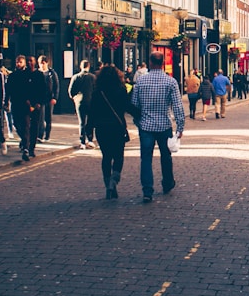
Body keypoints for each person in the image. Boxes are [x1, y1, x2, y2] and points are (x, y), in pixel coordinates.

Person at [130, 51, 185, 203]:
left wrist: (138, 121)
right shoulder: (171, 82)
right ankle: (167, 183)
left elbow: (134, 105)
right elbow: (178, 106)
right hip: (164, 126)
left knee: (146, 159)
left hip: (146, 127)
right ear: (162, 64)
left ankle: (147, 191)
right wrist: (180, 127)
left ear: (150, 62)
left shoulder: (141, 82)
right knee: (166, 156)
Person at [90, 64, 138, 199]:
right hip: (117, 127)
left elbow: (92, 111)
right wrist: (139, 114)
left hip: (101, 128)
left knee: (106, 157)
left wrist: (88, 129)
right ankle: (114, 180)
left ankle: (107, 184)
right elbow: (127, 106)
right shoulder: (120, 90)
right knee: (118, 156)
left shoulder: (97, 92)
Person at [8, 55, 48, 162]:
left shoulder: (39, 75)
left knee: (34, 126)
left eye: (31, 61)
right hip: (25, 104)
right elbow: (21, 89)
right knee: (23, 126)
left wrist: (39, 103)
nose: (30, 63)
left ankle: (30, 149)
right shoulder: (23, 75)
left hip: (36, 105)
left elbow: (43, 89)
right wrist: (25, 100)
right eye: (28, 61)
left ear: (35, 62)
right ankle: (26, 145)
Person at [68, 59, 96, 149]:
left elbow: (70, 91)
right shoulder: (93, 77)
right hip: (91, 102)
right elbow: (96, 90)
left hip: (79, 102)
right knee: (90, 121)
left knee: (82, 122)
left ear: (81, 66)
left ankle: (82, 142)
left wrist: (75, 98)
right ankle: (90, 140)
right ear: (88, 66)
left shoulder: (76, 77)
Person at [38, 55, 60, 144]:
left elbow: (56, 86)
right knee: (40, 118)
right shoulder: (37, 73)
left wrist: (55, 98)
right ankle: (40, 135)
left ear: (47, 63)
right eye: (40, 63)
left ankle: (47, 135)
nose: (42, 65)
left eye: (43, 63)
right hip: (40, 99)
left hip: (50, 98)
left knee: (48, 118)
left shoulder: (52, 73)